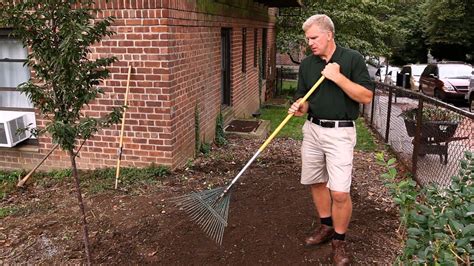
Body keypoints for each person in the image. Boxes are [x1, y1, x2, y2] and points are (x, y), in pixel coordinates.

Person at [288, 14, 373, 265]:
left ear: (329, 34)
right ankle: (326, 227)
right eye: (308, 39)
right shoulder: (307, 65)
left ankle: (340, 241)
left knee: (339, 192)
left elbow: (366, 96)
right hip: (313, 130)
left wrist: (338, 77)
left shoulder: (352, 59)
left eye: (314, 38)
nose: (310, 43)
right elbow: (303, 99)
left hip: (340, 132)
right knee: (316, 181)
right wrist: (300, 107)